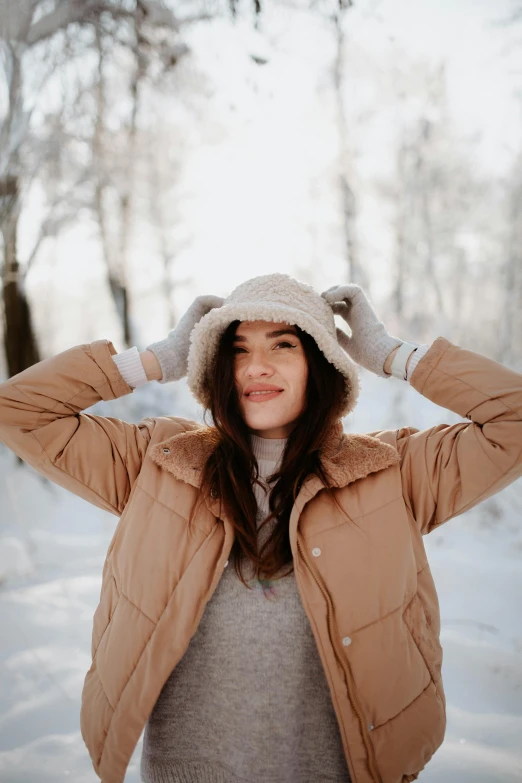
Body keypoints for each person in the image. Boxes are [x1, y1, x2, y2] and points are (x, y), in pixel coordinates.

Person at [0, 272, 520, 783]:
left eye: (283, 345)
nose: (256, 367)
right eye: (238, 349)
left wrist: (391, 354)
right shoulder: (156, 463)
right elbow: (17, 412)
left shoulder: (391, 472)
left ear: (321, 364)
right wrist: (156, 359)